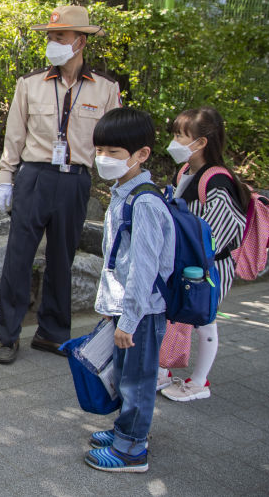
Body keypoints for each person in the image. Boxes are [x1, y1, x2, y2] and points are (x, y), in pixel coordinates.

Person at [0, 5, 122, 364]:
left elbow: (114, 139)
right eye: (50, 36)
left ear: (80, 42)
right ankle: (9, 336)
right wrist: (6, 179)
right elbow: (14, 137)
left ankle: (52, 334)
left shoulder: (106, 89)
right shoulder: (30, 84)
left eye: (60, 37)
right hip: (34, 177)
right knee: (18, 258)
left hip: (75, 182)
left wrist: (118, 179)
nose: (52, 42)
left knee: (61, 258)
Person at [84, 107, 172, 473]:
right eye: (100, 150)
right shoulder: (123, 191)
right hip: (128, 307)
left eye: (114, 153)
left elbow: (143, 270)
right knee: (123, 375)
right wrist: (112, 307)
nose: (103, 159)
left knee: (137, 380)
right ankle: (126, 431)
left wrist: (129, 321)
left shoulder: (145, 203)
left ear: (141, 155)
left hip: (143, 311)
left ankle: (132, 450)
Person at [158, 107, 248, 401]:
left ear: (201, 142)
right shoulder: (186, 171)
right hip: (185, 261)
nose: (174, 141)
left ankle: (199, 382)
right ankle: (163, 369)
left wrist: (194, 257)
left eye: (180, 136)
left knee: (204, 319)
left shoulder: (219, 181)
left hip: (209, 266)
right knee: (178, 312)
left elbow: (220, 233)